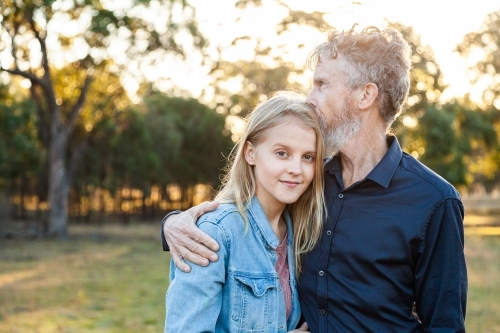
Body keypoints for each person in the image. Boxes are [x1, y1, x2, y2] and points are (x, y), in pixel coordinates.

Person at [162, 26, 468, 332]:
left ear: (365, 94)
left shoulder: (434, 201)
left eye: (321, 84)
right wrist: (172, 224)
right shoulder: (308, 180)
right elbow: (244, 221)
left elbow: (445, 323)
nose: (309, 98)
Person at [164, 91, 326, 332]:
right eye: (282, 153)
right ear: (250, 152)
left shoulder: (300, 234)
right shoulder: (216, 233)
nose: (296, 169)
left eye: (308, 157)